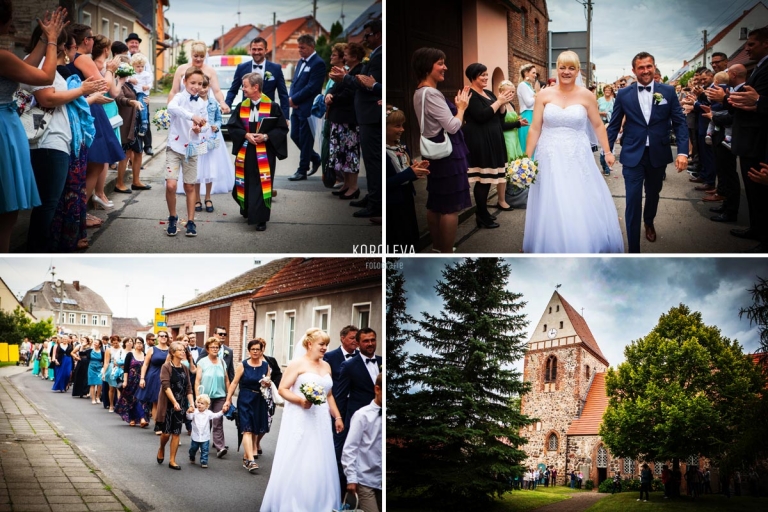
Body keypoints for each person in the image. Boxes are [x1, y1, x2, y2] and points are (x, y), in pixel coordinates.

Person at [523, 50, 624, 253]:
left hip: (577, 155)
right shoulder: (544, 94)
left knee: (577, 196)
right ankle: (551, 242)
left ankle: (579, 241)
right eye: (562, 67)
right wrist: (526, 158)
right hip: (548, 154)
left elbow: (598, 125)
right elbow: (535, 128)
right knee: (551, 198)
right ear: (557, 69)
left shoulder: (586, 95)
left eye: (571, 68)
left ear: (578, 70)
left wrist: (607, 152)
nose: (566, 72)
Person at [0, 4, 68, 252]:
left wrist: (41, 38)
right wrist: (52, 41)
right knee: (5, 212)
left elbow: (23, 68)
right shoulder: (2, 56)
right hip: (3, 128)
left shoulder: (6, 59)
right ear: (5, 23)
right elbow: (45, 77)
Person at [607, 51, 689, 253]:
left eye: (649, 66)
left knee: (653, 194)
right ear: (634, 71)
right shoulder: (624, 94)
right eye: (641, 67)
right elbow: (614, 124)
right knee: (633, 200)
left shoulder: (667, 92)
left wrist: (683, 152)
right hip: (633, 154)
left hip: (658, 154)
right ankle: (633, 249)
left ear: (654, 67)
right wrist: (606, 150)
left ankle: (649, 221)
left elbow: (679, 123)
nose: (645, 70)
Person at [260, 328, 344, 511]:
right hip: (302, 416)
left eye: (326, 345)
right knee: (301, 456)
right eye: (322, 344)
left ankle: (321, 503)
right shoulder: (297, 364)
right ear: (309, 344)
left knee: (321, 458)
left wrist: (337, 416)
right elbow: (282, 389)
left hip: (321, 419)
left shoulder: (326, 366)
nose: (325, 348)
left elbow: (329, 395)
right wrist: (300, 400)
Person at [411, 47, 471, 253]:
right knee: (450, 207)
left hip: (435, 154)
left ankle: (437, 247)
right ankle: (445, 251)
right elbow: (453, 126)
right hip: (448, 156)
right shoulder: (432, 93)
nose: (445, 67)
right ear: (428, 66)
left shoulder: (419, 92)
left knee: (435, 202)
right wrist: (461, 108)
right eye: (440, 63)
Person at [329, 20, 383, 219]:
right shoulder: (375, 55)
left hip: (370, 115)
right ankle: (373, 196)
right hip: (366, 115)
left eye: (367, 35)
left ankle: (376, 203)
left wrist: (346, 79)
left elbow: (369, 85)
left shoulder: (379, 56)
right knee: (370, 161)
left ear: (378, 34)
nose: (364, 39)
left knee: (373, 161)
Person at [225, 72, 289, 232]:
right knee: (244, 182)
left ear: (256, 87)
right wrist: (245, 134)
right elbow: (233, 126)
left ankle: (261, 218)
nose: (243, 89)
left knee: (261, 184)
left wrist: (266, 136)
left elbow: (282, 128)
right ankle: (247, 210)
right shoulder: (242, 106)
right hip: (246, 151)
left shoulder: (273, 106)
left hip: (265, 153)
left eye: (245, 86)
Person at [462, 62, 514, 229]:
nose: (485, 77)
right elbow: (481, 116)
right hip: (480, 140)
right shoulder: (470, 94)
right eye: (481, 75)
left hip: (493, 139)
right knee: (483, 179)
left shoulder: (489, 93)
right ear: (472, 77)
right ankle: (482, 214)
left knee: (489, 179)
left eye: (486, 74)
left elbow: (499, 118)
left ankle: (483, 213)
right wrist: (499, 102)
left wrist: (503, 104)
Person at [177, 74, 234, 210]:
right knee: (197, 169)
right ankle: (197, 199)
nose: (202, 89)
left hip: (210, 137)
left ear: (209, 87)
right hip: (197, 137)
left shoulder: (214, 103)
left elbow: (219, 119)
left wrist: (217, 126)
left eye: (205, 86)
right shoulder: (192, 102)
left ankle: (208, 197)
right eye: (200, 86)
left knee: (210, 169)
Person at [164, 67, 208, 237]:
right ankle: (172, 217)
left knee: (190, 186)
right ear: (184, 82)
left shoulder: (202, 103)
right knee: (171, 184)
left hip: (191, 149)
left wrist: (200, 129)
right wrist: (192, 117)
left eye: (199, 83)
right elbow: (171, 108)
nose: (196, 86)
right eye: (192, 83)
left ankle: (191, 221)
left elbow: (205, 127)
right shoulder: (178, 98)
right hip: (174, 148)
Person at [223, 339, 273, 473]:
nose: (255, 351)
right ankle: (251, 460)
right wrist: (228, 400)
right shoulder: (243, 365)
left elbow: (267, 381)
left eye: (258, 349)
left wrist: (267, 384)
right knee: (247, 429)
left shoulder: (265, 365)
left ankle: (246, 457)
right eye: (253, 349)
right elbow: (234, 383)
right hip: (245, 398)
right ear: (249, 351)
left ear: (262, 350)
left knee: (255, 429)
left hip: (259, 399)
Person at [325, 42, 365, 200]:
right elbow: (336, 87)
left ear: (354, 57)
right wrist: (329, 94)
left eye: (346, 55)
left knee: (350, 153)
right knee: (342, 154)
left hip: (349, 120)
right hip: (340, 119)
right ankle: (347, 184)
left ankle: (353, 186)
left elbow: (350, 93)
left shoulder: (359, 71)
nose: (344, 57)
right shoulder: (348, 71)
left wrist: (332, 98)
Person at [386, 104, 429, 250]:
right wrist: (409, 173)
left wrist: (417, 171)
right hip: (392, 203)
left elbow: (406, 173)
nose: (402, 130)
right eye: (397, 126)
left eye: (402, 125)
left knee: (410, 236)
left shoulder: (402, 147)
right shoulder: (381, 152)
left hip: (406, 198)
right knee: (397, 238)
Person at [287, 34, 326, 181]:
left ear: (311, 47)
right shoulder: (301, 61)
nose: (299, 50)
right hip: (296, 107)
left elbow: (312, 87)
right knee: (294, 136)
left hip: (308, 108)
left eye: (302, 47)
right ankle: (315, 158)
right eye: (299, 47)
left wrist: (295, 99)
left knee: (306, 139)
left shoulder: (318, 63)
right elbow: (295, 82)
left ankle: (302, 170)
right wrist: (291, 99)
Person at [341, 372, 382, 512]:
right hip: (365, 480)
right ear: (377, 390)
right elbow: (350, 449)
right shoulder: (362, 416)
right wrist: (351, 478)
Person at [155, 342, 194, 470]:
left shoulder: (185, 368)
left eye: (184, 350)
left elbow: (188, 388)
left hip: (180, 404)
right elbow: (166, 386)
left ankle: (172, 460)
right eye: (180, 350)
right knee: (166, 433)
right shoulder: (166, 367)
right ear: (172, 353)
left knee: (176, 433)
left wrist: (191, 404)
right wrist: (174, 402)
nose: (183, 352)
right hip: (168, 404)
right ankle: (161, 448)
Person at [225, 37, 288, 117]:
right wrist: (227, 105)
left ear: (266, 50)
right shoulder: (241, 68)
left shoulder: (276, 69)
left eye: (260, 49)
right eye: (254, 49)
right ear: (250, 50)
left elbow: (283, 95)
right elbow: (233, 90)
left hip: (268, 112)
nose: (256, 52)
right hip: (246, 112)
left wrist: (285, 117)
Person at [168, 40, 229, 114]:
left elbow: (217, 91)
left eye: (202, 56)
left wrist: (222, 102)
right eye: (196, 56)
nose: (199, 59)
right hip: (183, 108)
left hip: (202, 110)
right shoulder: (181, 69)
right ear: (191, 54)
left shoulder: (210, 71)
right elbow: (174, 91)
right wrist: (169, 110)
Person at [113, 57, 146, 194]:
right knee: (125, 154)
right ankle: (119, 183)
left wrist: (144, 100)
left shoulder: (129, 84)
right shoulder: (118, 83)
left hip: (136, 123)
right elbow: (119, 99)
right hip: (126, 123)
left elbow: (137, 96)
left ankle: (136, 181)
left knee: (138, 151)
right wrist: (132, 102)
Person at [195, 336, 231, 459]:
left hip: (220, 396)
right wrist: (198, 397)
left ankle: (220, 447)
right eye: (212, 347)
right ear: (207, 349)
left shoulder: (222, 362)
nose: (215, 349)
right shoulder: (202, 362)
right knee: (204, 422)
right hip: (205, 397)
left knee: (218, 421)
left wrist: (228, 397)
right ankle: (201, 442)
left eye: (217, 347)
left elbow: (227, 380)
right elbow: (197, 380)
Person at [497, 80, 526, 210]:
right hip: (506, 138)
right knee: (507, 166)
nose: (511, 94)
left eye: (513, 92)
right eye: (508, 92)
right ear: (501, 92)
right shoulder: (499, 105)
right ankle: (504, 198)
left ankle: (514, 193)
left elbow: (513, 120)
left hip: (514, 137)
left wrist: (519, 120)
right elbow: (501, 125)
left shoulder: (512, 105)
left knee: (515, 165)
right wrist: (517, 124)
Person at [125, 32, 154, 156]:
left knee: (144, 116)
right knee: (132, 118)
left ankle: (147, 146)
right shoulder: (125, 57)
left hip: (142, 91)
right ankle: (132, 146)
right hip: (130, 91)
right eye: (132, 42)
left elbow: (150, 75)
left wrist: (148, 90)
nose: (134, 44)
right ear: (127, 44)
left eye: (136, 42)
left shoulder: (143, 58)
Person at [137, 330, 170, 428]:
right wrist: (142, 378)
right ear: (158, 338)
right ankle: (157, 425)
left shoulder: (171, 350)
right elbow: (145, 364)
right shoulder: (152, 349)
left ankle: (165, 423)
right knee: (156, 402)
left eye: (165, 336)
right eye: (161, 336)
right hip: (153, 376)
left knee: (166, 403)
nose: (163, 337)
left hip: (167, 376)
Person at [115, 337, 149, 427]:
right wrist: (125, 381)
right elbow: (126, 369)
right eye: (137, 343)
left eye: (141, 343)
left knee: (139, 399)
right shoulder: (130, 354)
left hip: (141, 379)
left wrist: (144, 379)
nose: (139, 344)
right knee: (131, 399)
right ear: (134, 344)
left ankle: (142, 418)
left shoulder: (145, 355)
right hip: (130, 379)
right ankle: (132, 418)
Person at [186, 394, 224, 469]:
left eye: (202, 403)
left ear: (207, 406)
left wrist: (222, 411)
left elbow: (215, 415)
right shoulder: (195, 412)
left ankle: (204, 461)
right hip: (195, 436)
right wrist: (188, 412)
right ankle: (192, 456)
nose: (199, 405)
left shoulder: (208, 413)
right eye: (198, 402)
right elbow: (189, 418)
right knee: (193, 448)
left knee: (205, 450)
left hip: (205, 436)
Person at [127, 53, 151, 137]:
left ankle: (144, 122)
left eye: (142, 66)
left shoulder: (146, 74)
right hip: (133, 92)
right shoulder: (131, 73)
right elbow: (126, 79)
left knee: (141, 103)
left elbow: (150, 84)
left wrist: (147, 86)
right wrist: (130, 80)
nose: (140, 68)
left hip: (141, 92)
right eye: (138, 66)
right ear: (133, 66)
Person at [517, 63, 538, 155]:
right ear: (526, 73)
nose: (535, 75)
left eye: (535, 73)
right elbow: (528, 103)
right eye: (533, 73)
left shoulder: (529, 86)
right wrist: (537, 93)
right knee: (528, 141)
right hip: (527, 115)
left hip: (533, 114)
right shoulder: (522, 85)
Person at [597, 85, 616, 175]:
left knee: (609, 143)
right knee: (602, 144)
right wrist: (602, 113)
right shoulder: (599, 100)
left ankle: (607, 167)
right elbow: (594, 111)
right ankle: (603, 163)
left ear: (611, 91)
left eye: (609, 90)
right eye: (606, 90)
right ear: (604, 91)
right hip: (601, 124)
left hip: (611, 124)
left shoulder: (614, 101)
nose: (607, 91)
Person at [87, 337, 104, 403]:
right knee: (92, 383)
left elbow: (104, 360)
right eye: (94, 342)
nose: (95, 344)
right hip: (91, 367)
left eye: (96, 343)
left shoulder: (102, 352)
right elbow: (81, 353)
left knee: (100, 383)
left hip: (99, 367)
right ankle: (93, 399)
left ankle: (98, 397)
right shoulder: (90, 350)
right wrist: (82, 346)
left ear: (99, 345)